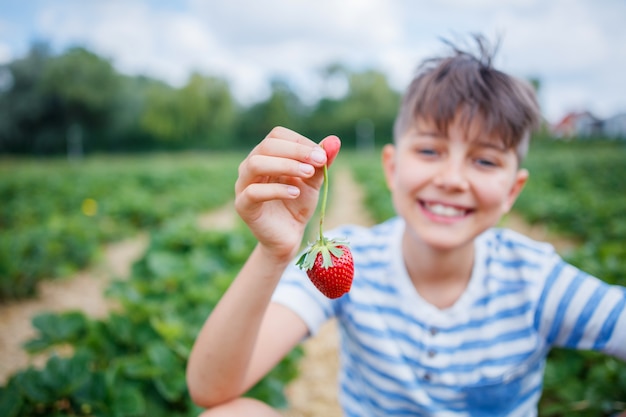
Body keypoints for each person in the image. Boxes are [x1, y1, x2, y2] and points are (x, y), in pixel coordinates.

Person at [186, 36, 626, 416]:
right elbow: (212, 389)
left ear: (513, 189)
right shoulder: (353, 258)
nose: (451, 179)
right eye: (430, 151)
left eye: (485, 160)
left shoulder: (535, 279)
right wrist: (275, 252)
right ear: (391, 168)